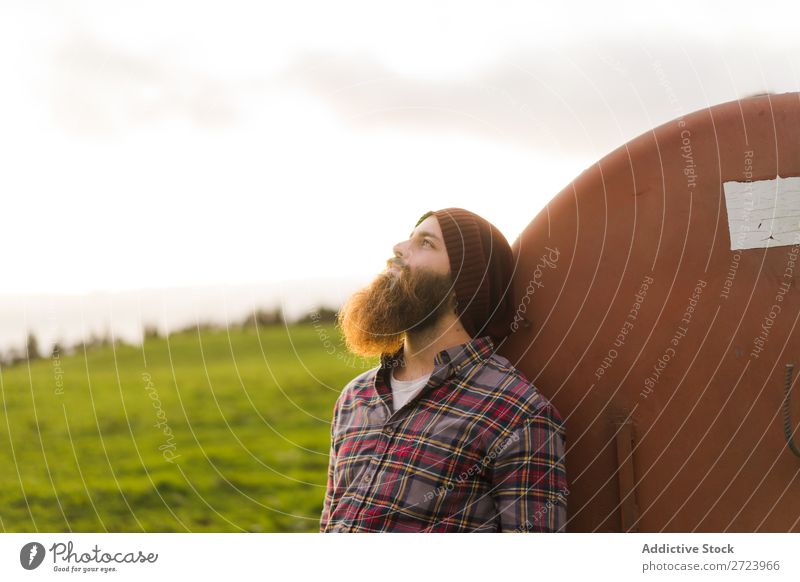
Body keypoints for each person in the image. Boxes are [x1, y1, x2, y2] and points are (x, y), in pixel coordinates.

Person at [320, 207, 567, 532]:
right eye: (410, 238)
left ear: (461, 287)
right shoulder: (355, 397)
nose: (399, 248)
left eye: (426, 243)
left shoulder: (518, 415)